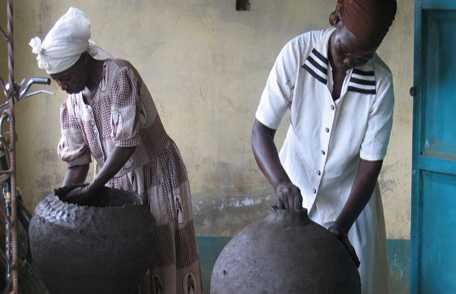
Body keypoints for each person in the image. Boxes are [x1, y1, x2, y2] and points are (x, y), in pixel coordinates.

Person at [30, 7, 202, 294]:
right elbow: (77, 162)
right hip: (114, 183)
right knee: (128, 264)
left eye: (65, 75)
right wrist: (63, 205)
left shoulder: (119, 75)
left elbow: (125, 144)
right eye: (57, 79)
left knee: (162, 255)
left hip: (155, 174)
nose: (62, 85)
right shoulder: (73, 101)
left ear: (82, 59)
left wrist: (94, 188)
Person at [251, 1, 397, 293]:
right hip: (295, 202)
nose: (349, 62)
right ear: (337, 19)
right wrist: (281, 183)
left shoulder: (381, 82)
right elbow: (260, 132)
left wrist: (341, 226)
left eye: (362, 57)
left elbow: (369, 168)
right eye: (345, 51)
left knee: (354, 284)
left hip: (352, 208)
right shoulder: (298, 53)